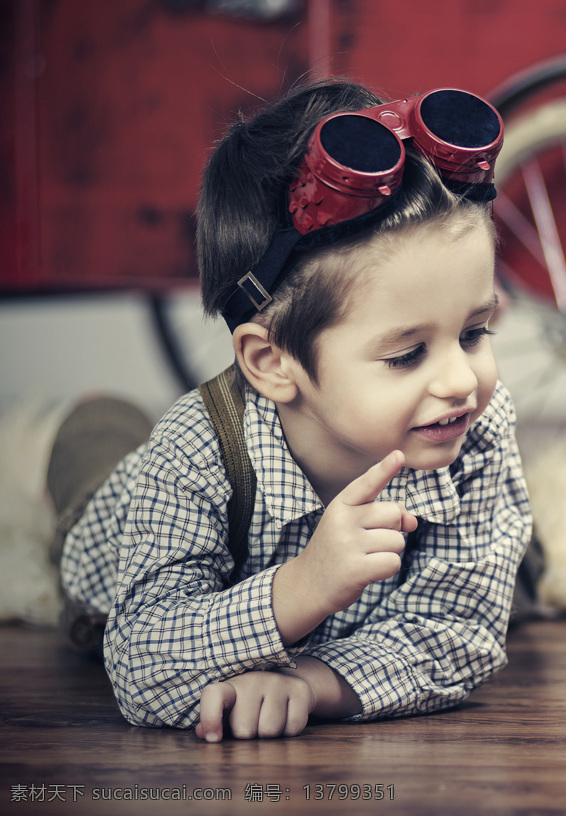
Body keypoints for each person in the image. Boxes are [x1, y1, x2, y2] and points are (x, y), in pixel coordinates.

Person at [53, 78, 533, 742]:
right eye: (407, 354)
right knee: (98, 460)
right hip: (120, 532)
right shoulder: (194, 452)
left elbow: (462, 633)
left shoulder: (474, 424)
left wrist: (313, 681)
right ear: (272, 362)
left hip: (367, 593)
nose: (462, 381)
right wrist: (304, 587)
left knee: (515, 563)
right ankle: (93, 413)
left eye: (475, 333)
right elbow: (141, 666)